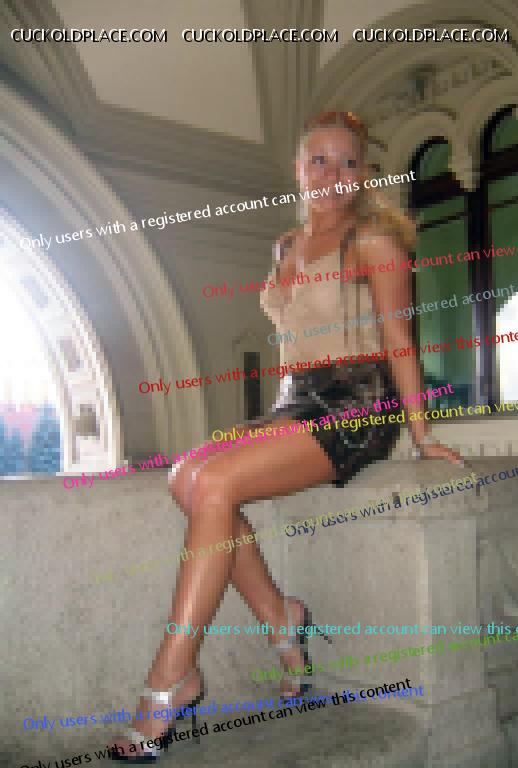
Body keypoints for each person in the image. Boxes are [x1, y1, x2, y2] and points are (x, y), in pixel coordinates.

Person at [109, 110, 463, 760]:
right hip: (296, 402)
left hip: (358, 405)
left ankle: (171, 675)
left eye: (348, 162)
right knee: (185, 476)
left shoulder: (374, 242)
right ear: (298, 170)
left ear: (362, 174)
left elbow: (400, 341)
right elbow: (294, 346)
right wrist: (274, 420)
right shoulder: (283, 246)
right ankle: (282, 618)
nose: (332, 174)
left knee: (216, 484)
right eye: (318, 161)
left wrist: (421, 434)